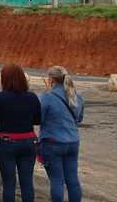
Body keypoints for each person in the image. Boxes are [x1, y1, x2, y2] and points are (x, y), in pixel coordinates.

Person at [0, 64, 41, 202]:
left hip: (6, 142)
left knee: (9, 184)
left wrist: (3, 117)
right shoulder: (32, 97)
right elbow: (38, 120)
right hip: (28, 141)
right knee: (27, 182)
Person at [39, 66, 85, 202]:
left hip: (53, 142)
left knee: (57, 180)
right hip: (73, 142)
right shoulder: (77, 96)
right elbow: (79, 119)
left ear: (51, 79)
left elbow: (39, 119)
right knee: (72, 179)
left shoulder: (47, 96)